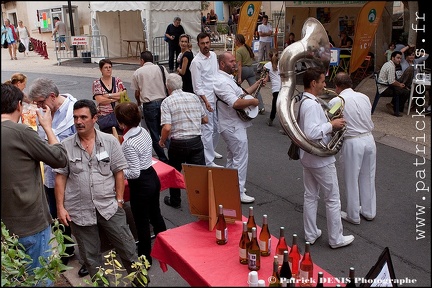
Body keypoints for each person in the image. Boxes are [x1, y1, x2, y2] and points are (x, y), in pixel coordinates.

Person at [54, 99, 141, 283]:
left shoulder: (110, 141)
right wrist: (60, 207)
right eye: (75, 117)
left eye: (83, 117)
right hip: (79, 211)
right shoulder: (66, 145)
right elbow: (60, 177)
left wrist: (118, 200)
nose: (78, 121)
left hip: (109, 207)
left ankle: (141, 283)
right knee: (91, 259)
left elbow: (119, 171)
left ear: (95, 118)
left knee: (128, 250)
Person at [1, 83, 68, 286]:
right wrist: (47, 127)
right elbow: (59, 158)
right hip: (30, 223)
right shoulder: (21, 132)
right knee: (39, 279)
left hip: (5, 227)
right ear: (19, 106)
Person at [298, 67, 354, 249]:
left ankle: (311, 233)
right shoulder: (312, 104)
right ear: (313, 83)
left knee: (311, 196)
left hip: (309, 157)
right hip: (320, 159)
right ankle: (336, 238)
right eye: (322, 82)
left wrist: (329, 120)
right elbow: (312, 132)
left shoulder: (306, 102)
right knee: (332, 199)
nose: (324, 85)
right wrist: (332, 124)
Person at [28, 77, 79, 263]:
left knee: (77, 216)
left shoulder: (75, 112)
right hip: (50, 175)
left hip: (72, 175)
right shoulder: (44, 111)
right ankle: (67, 250)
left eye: (41, 102)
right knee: (57, 214)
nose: (39, 106)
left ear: (52, 96)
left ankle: (90, 257)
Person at [114, 102, 167, 266]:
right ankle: (166, 247)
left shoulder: (129, 143)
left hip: (141, 184)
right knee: (155, 214)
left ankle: (145, 258)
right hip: (152, 177)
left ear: (122, 122)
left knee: (142, 222)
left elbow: (134, 172)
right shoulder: (142, 131)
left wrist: (118, 173)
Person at [214, 52, 265, 204]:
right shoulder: (222, 82)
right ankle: (238, 191)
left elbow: (242, 94)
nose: (235, 63)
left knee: (233, 158)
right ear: (222, 64)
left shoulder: (226, 79)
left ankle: (230, 186)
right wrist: (253, 102)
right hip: (231, 126)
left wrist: (257, 84)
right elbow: (235, 103)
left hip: (232, 125)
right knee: (240, 158)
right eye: (231, 61)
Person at [329, 72, 376, 225]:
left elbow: (331, 119)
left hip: (352, 140)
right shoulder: (364, 97)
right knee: (368, 176)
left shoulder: (337, 100)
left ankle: (353, 215)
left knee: (351, 178)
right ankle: (369, 211)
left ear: (337, 87)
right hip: (369, 138)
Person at [159, 73, 208, 208]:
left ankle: (175, 200)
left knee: (174, 172)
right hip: (196, 141)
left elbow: (167, 127)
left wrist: (162, 141)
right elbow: (205, 119)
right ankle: (201, 203)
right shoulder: (194, 97)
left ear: (167, 87)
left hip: (178, 143)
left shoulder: (167, 102)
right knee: (198, 174)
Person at [190, 32, 223, 167]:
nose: (205, 45)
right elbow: (197, 86)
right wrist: (206, 102)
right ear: (198, 44)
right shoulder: (196, 62)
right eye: (202, 43)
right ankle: (208, 161)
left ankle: (211, 150)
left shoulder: (214, 55)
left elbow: (216, 75)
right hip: (205, 100)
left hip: (216, 97)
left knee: (217, 128)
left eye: (207, 42)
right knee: (207, 130)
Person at [131, 50, 169, 163]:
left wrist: (138, 102)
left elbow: (137, 92)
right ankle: (172, 154)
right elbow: (168, 83)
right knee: (165, 130)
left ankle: (163, 157)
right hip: (163, 102)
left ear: (142, 60)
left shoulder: (138, 72)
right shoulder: (161, 68)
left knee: (153, 132)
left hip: (149, 104)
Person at [92, 58, 126, 134]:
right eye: (105, 68)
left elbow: (123, 94)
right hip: (105, 117)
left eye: (110, 67)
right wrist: (115, 98)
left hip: (119, 115)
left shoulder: (117, 80)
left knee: (121, 138)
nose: (108, 69)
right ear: (101, 69)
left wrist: (108, 95)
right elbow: (100, 100)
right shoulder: (97, 83)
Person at [235, 34, 265, 114]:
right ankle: (261, 107)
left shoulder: (238, 51)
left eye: (235, 40)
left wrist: (239, 77)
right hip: (251, 69)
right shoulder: (246, 48)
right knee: (256, 88)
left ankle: (236, 102)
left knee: (234, 85)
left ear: (238, 41)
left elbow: (239, 65)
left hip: (244, 70)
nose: (234, 41)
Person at [377, 51, 410, 117]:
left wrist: (399, 84)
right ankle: (394, 107)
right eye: (398, 58)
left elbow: (392, 80)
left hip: (384, 85)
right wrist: (399, 85)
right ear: (393, 58)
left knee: (403, 89)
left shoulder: (388, 63)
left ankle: (395, 106)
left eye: (400, 58)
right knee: (405, 92)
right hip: (384, 88)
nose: (399, 60)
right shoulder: (391, 67)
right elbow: (391, 82)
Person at [264, 49, 281, 126]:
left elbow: (266, 78)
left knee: (274, 105)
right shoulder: (282, 64)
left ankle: (271, 119)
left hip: (276, 88)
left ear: (269, 56)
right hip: (284, 86)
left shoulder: (267, 65)